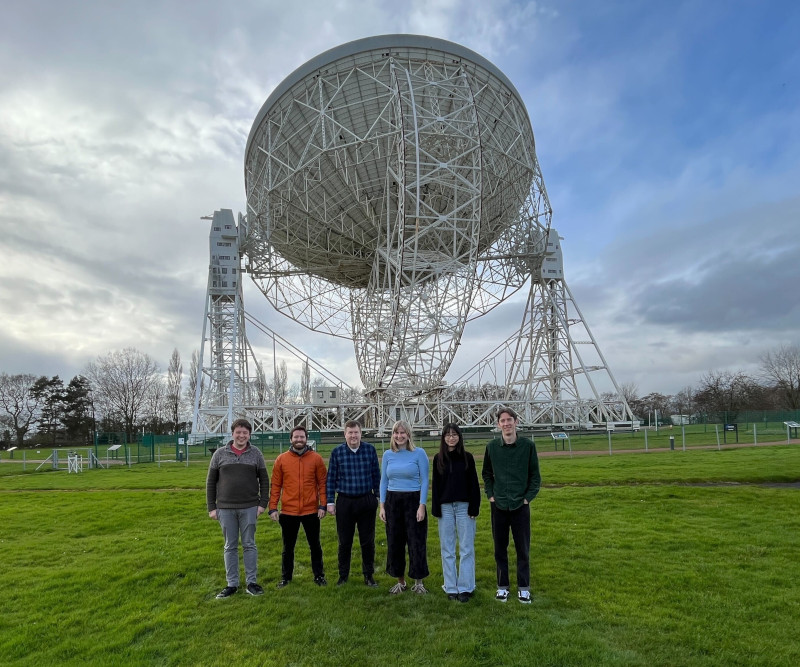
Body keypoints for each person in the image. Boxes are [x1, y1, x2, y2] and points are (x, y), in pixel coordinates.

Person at [482, 407, 541, 604]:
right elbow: (486, 474)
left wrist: (527, 499)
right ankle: (503, 587)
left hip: (520, 506)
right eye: (502, 421)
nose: (506, 424)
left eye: (509, 420)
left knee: (522, 548)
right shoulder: (492, 448)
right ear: (498, 425)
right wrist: (490, 495)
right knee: (500, 548)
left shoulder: (528, 446)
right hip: (498, 505)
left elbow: (535, 476)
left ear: (516, 422)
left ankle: (524, 587)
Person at [206, 418, 269, 598]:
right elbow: (211, 482)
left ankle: (252, 582)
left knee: (249, 544)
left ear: (249, 435)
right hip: (225, 508)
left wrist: (262, 504)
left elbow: (264, 480)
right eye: (238, 432)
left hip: (249, 507)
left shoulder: (256, 453)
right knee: (230, 546)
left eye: (245, 433)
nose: (241, 436)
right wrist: (212, 507)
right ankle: (231, 584)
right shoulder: (219, 454)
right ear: (232, 433)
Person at [268, 425, 328, 588]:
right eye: (296, 437)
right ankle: (286, 577)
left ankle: (319, 576)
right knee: (288, 547)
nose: (299, 439)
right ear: (291, 439)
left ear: (306, 439)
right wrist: (273, 507)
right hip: (288, 511)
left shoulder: (316, 459)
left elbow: (322, 483)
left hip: (311, 510)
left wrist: (323, 505)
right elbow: (275, 485)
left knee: (315, 545)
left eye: (302, 437)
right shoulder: (281, 459)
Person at [326, 420, 381, 587]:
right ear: (345, 434)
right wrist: (330, 501)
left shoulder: (370, 450)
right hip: (345, 501)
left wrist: (378, 498)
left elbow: (376, 476)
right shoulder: (337, 452)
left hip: (366, 500)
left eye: (356, 432)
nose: (353, 436)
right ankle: (343, 576)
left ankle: (368, 576)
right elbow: (330, 479)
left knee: (367, 541)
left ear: (360, 433)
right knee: (344, 542)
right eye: (350, 433)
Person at [379, 420, 430, 595]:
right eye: (396, 433)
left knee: (416, 542)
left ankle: (419, 581)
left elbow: (425, 481)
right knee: (395, 542)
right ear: (392, 435)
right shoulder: (387, 455)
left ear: (408, 435)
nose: (399, 436)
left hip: (413, 500)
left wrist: (422, 505)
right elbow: (384, 481)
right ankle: (400, 581)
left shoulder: (419, 453)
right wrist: (382, 506)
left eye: (402, 433)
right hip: (393, 502)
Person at [431, 423, 481, 602]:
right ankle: (451, 587)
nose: (451, 438)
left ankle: (466, 587)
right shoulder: (438, 459)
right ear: (443, 438)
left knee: (466, 548)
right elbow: (436, 485)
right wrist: (435, 508)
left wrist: (474, 507)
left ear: (459, 437)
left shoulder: (467, 458)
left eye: (454, 434)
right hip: (445, 508)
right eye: (447, 435)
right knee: (448, 549)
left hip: (464, 507)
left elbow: (474, 484)